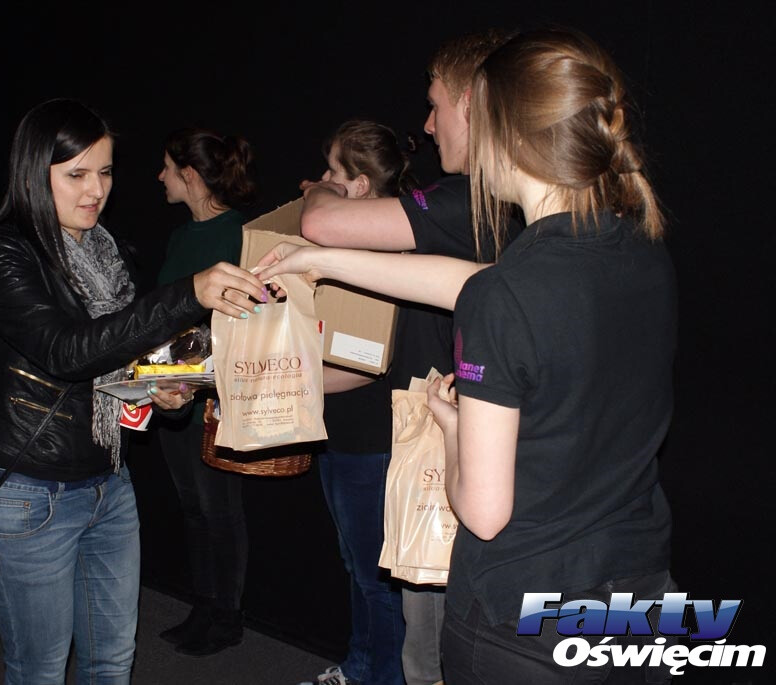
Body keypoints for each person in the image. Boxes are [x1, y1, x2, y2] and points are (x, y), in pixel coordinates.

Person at [259, 25, 677, 683]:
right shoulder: (637, 249)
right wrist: (323, 260)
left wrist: (452, 430)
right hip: (638, 595)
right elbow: (475, 284)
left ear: (504, 133)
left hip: (523, 623)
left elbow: (483, 511)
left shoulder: (510, 291)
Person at [0, 99, 267, 685]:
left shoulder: (106, 251)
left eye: (104, 171)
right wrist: (187, 294)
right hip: (28, 492)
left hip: (108, 480)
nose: (96, 189)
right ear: (33, 173)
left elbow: (118, 357)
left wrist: (158, 388)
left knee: (112, 660)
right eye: (76, 174)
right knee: (40, 670)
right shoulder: (0, 253)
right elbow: (67, 352)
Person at [295, 31, 512, 685]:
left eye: (435, 105)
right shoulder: (459, 215)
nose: (427, 124)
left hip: (420, 443)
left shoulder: (465, 206)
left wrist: (316, 201)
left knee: (415, 618)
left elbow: (365, 353)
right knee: (398, 601)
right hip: (423, 438)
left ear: (471, 104)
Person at [299, 120, 414, 685]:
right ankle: (362, 666)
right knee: (358, 565)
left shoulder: (382, 253)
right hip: (344, 435)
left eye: (333, 172)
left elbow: (365, 363)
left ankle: (381, 676)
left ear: (361, 186)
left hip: (372, 442)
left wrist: (277, 384)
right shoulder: (352, 250)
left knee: (376, 577)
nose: (321, 179)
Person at [153, 127, 256, 657]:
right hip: (171, 398)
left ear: (189, 174)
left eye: (168, 169)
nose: (160, 178)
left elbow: (248, 323)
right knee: (192, 509)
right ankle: (204, 604)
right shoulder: (179, 238)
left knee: (220, 512)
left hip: (214, 401)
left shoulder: (240, 235)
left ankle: (227, 616)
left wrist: (198, 378)